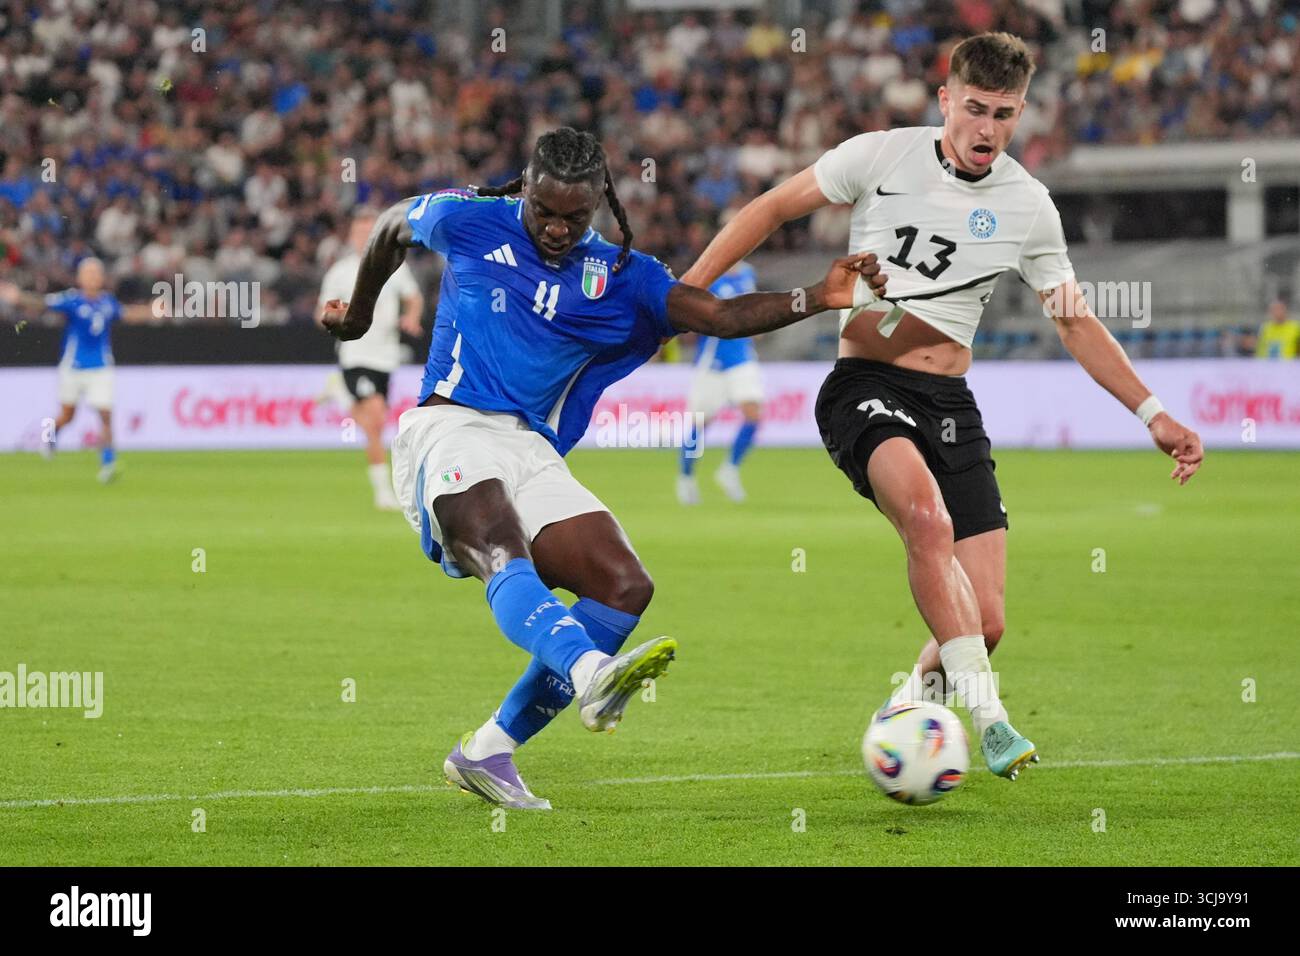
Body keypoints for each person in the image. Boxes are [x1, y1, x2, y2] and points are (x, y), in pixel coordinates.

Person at [682, 33, 1204, 783]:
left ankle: (901, 718)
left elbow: (1075, 319)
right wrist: (689, 292)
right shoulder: (879, 156)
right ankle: (990, 720)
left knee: (984, 621)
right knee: (926, 520)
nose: (988, 129)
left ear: (1021, 112)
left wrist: (1153, 411)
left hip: (949, 403)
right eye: (975, 109)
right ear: (945, 101)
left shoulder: (1028, 205)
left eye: (1005, 114)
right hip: (864, 386)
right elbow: (771, 207)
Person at [321, 127, 885, 809]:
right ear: (524, 190)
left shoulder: (624, 277)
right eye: (545, 212)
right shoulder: (467, 219)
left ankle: (488, 750)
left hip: (530, 447)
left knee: (622, 586)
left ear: (599, 204)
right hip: (448, 425)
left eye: (574, 216)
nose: (557, 229)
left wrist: (816, 297)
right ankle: (592, 674)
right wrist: (356, 317)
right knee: (499, 545)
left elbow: (717, 314)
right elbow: (388, 227)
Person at [1, 258, 151, 483]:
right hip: (73, 368)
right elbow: (42, 303)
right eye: (88, 273)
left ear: (101, 278)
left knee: (105, 414)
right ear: (80, 278)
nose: (92, 277)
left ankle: (108, 464)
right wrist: (19, 297)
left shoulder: (107, 303)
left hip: (101, 368)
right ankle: (49, 435)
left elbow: (127, 314)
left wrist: (152, 311)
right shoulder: (72, 300)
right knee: (67, 416)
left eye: (96, 273)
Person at [317, 208, 425, 510]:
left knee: (373, 421)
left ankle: (340, 395)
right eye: (359, 232)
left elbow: (413, 297)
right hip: (356, 353)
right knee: (375, 419)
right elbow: (323, 311)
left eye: (369, 232)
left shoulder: (391, 266)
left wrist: (412, 317)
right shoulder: (341, 271)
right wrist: (337, 317)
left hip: (385, 357)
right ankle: (382, 491)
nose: (364, 237)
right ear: (352, 237)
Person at [676, 261, 764, 504]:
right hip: (712, 359)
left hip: (742, 356)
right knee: (700, 424)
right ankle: (686, 478)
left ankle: (730, 469)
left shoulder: (747, 273)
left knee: (754, 414)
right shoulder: (710, 274)